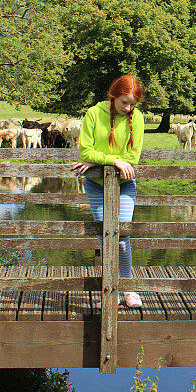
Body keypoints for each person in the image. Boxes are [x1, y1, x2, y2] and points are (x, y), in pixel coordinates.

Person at [70, 74, 144, 308]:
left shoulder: (138, 118)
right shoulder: (93, 114)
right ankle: (110, 289)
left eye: (132, 103)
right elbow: (85, 152)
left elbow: (133, 158)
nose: (128, 107)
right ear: (113, 96)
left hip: (124, 184)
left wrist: (101, 161)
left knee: (121, 238)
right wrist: (112, 160)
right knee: (105, 237)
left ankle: (128, 287)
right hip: (96, 184)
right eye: (124, 102)